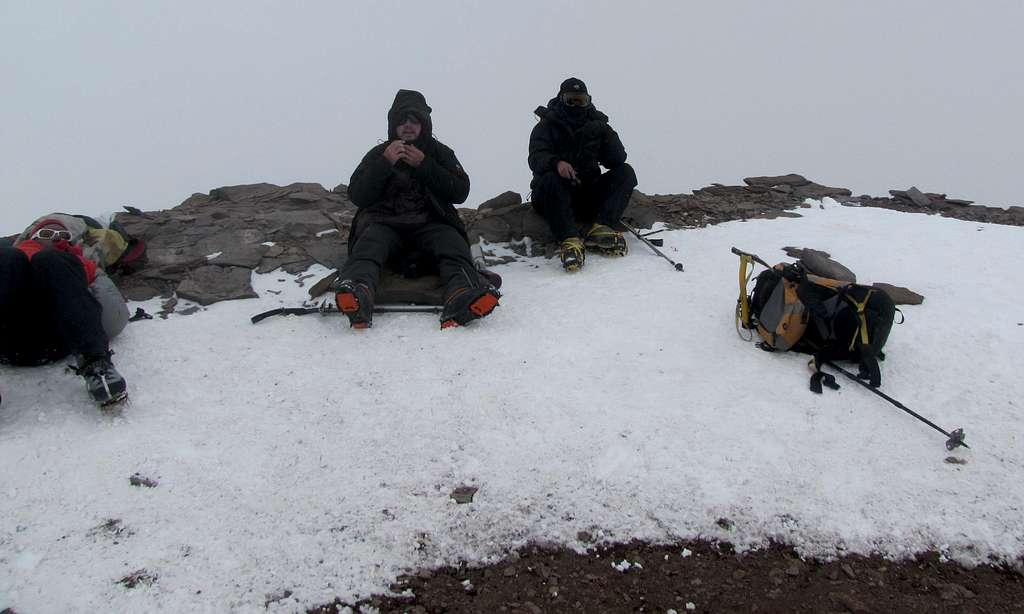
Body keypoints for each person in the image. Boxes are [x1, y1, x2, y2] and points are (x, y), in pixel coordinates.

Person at [333, 89, 500, 329]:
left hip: (431, 223)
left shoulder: (440, 152)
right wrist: (385, 163)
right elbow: (358, 194)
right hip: (385, 223)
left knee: (451, 244)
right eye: (402, 120)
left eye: (414, 120)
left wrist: (425, 164)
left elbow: (460, 191)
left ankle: (463, 294)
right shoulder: (379, 153)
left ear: (424, 124)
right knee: (369, 245)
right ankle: (357, 292)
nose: (408, 126)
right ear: (393, 124)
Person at [0, 214, 130, 405]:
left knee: (50, 259)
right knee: (8, 256)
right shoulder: (7, 259)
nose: (54, 237)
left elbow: (114, 319)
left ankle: (96, 366)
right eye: (46, 232)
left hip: (55, 341)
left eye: (62, 235)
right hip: (5, 339)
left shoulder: (74, 262)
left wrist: (78, 268)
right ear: (33, 237)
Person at [528, 77, 638, 272]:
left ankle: (601, 227)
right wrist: (556, 163)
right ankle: (569, 239)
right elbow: (536, 158)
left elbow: (617, 160)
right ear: (561, 99)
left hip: (587, 192)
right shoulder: (546, 126)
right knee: (553, 178)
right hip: (554, 195)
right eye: (571, 100)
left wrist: (605, 133)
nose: (577, 105)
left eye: (581, 100)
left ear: (588, 100)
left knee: (626, 172)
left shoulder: (597, 124)